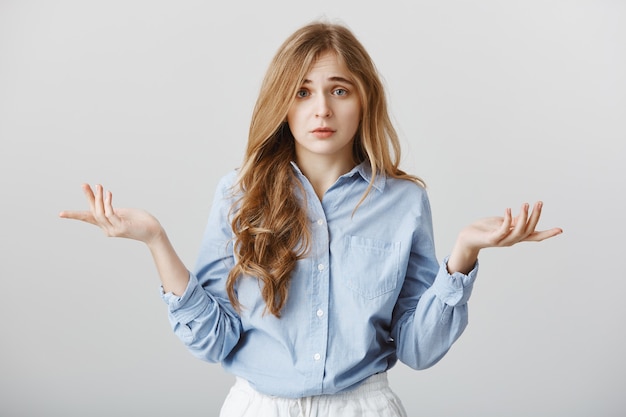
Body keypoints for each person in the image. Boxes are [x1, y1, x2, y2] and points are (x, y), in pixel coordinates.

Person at [59, 21, 562, 417]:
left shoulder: (405, 201)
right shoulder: (238, 194)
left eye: (339, 90)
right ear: (282, 103)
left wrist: (461, 259)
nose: (321, 108)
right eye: (302, 92)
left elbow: (418, 349)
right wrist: (155, 241)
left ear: (364, 99)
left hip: (364, 407)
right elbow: (216, 340)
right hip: (257, 408)